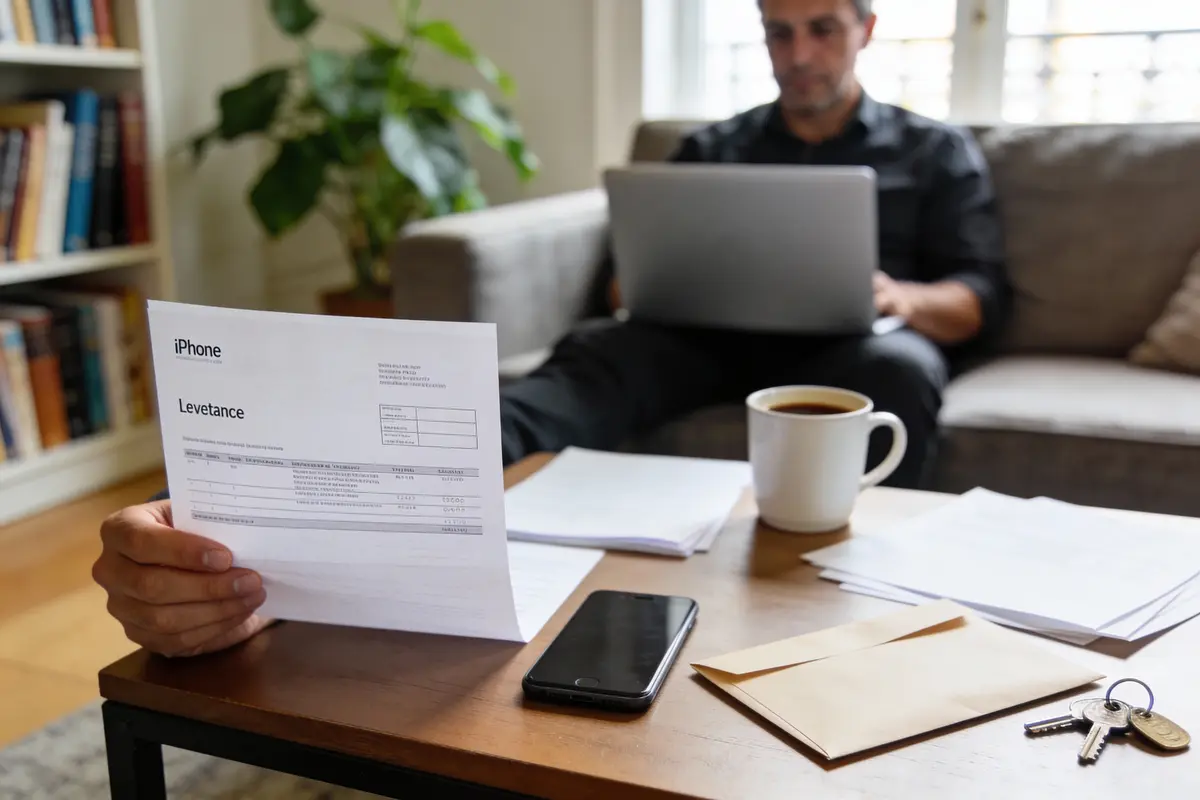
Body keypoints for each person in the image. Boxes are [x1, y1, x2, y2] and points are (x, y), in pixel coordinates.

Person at [92, 0, 1010, 658]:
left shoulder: (935, 151)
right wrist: (647, 274)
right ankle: (364, 523)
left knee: (900, 368)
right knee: (586, 360)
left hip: (852, 342)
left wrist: (898, 295)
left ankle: (878, 593)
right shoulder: (710, 147)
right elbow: (621, 275)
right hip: (697, 331)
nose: (798, 51)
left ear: (866, 29)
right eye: (779, 30)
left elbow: (978, 294)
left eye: (821, 28)